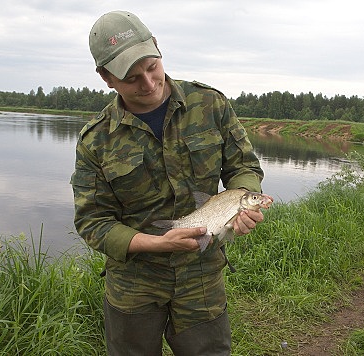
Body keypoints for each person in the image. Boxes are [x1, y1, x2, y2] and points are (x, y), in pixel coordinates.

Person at [71, 10, 268, 356]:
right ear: (106, 77)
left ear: (158, 48)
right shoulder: (95, 140)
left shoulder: (209, 105)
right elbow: (92, 222)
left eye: (151, 67)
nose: (148, 84)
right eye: (131, 78)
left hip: (201, 276)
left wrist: (243, 202)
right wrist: (154, 243)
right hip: (134, 283)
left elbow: (244, 166)